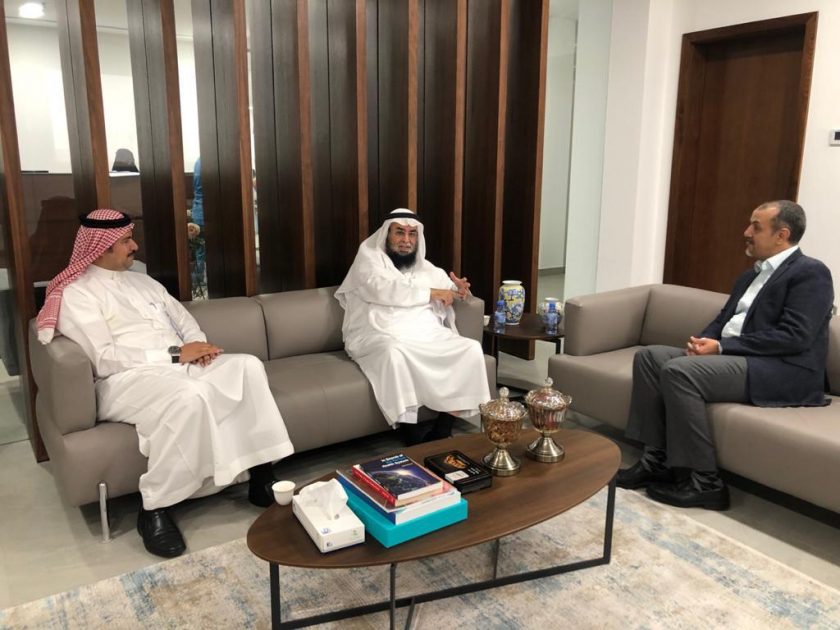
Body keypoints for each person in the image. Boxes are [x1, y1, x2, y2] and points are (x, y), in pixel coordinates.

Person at [36, 209, 294, 558]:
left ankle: (260, 473)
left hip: (179, 366)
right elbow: (104, 358)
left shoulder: (145, 283)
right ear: (100, 247)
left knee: (247, 367)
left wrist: (198, 348)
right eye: (126, 241)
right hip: (124, 381)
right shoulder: (77, 294)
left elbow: (184, 322)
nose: (134, 246)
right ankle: (155, 507)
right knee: (190, 395)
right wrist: (175, 354)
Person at [618, 200, 834, 510]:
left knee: (679, 372)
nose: (746, 232)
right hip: (738, 358)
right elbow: (723, 320)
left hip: (783, 370)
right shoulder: (749, 277)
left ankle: (706, 483)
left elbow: (795, 336)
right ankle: (657, 460)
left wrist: (721, 348)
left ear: (782, 235)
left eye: (756, 227)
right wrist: (703, 341)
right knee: (650, 358)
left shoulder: (811, 273)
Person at [335, 208, 491, 444]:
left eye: (412, 234)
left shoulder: (425, 267)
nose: (406, 240)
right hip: (379, 333)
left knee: (470, 349)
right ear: (386, 234)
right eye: (399, 232)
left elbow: (449, 290)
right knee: (394, 353)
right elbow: (383, 290)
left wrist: (459, 290)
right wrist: (432, 293)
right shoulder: (368, 259)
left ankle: (443, 429)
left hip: (425, 333)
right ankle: (410, 434)